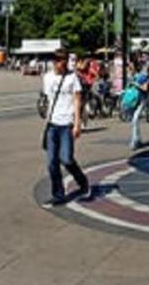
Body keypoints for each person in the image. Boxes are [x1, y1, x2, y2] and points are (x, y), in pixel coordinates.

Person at [41, 50, 90, 205]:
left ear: (66, 61)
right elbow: (47, 98)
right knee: (51, 162)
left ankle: (82, 181)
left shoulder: (72, 78)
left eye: (61, 60)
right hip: (52, 124)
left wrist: (77, 124)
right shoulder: (47, 77)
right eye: (55, 60)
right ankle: (58, 194)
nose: (58, 63)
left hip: (66, 124)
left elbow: (77, 100)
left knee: (66, 159)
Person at [126, 66, 149, 150]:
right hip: (133, 100)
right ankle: (138, 139)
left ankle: (134, 141)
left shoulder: (144, 77)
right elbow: (128, 87)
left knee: (135, 119)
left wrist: (136, 84)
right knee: (134, 120)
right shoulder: (132, 76)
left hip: (142, 100)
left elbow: (145, 88)